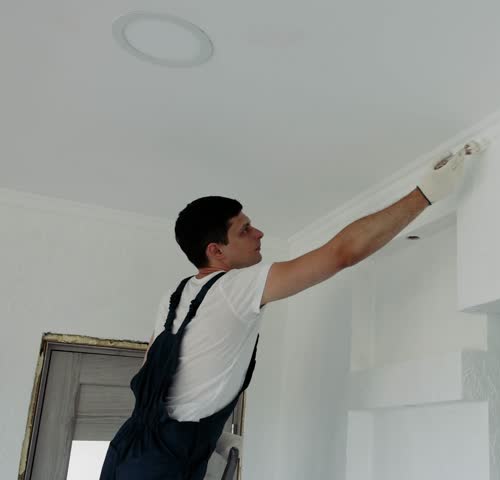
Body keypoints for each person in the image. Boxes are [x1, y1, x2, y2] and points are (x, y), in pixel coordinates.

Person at [100, 147, 470, 479]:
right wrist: (425, 195)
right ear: (217, 251)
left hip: (129, 450)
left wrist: (197, 424)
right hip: (160, 464)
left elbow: (150, 368)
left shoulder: (174, 294)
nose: (259, 232)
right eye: (245, 230)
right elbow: (341, 254)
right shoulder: (234, 287)